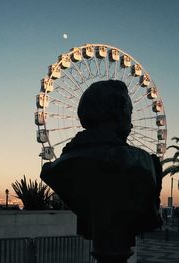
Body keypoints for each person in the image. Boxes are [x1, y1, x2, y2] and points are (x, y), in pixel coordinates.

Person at [40, 80, 162, 262]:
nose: (132, 124)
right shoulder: (139, 162)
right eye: (129, 113)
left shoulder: (60, 165)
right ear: (118, 114)